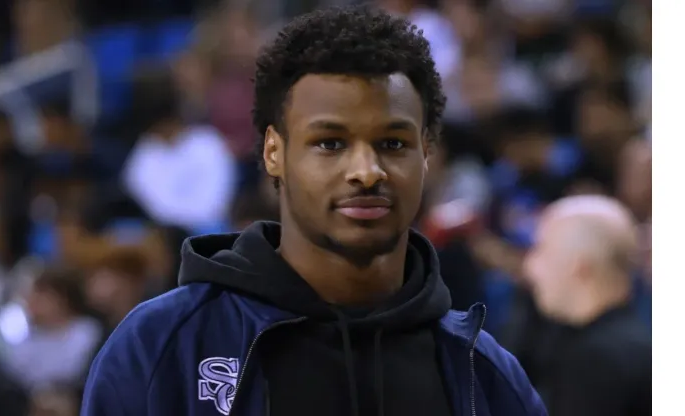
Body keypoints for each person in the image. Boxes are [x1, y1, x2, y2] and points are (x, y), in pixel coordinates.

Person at [82, 6, 545, 416]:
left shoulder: (485, 375)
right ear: (272, 152)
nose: (366, 171)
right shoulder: (161, 347)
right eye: (330, 143)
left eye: (393, 143)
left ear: (426, 154)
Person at [522, 195, 651, 416]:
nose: (529, 267)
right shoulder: (638, 347)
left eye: (541, 249)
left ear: (578, 265)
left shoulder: (598, 361)